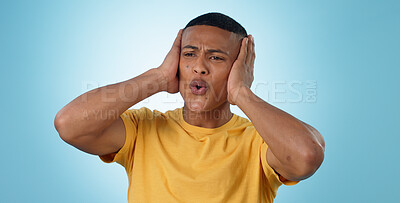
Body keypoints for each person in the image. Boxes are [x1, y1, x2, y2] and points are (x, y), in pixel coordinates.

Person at [54, 12, 325, 203]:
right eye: (189, 54)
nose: (199, 66)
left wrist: (242, 92)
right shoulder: (143, 129)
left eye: (216, 57)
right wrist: (158, 78)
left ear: (239, 68)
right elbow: (69, 125)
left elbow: (306, 156)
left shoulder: (259, 141)